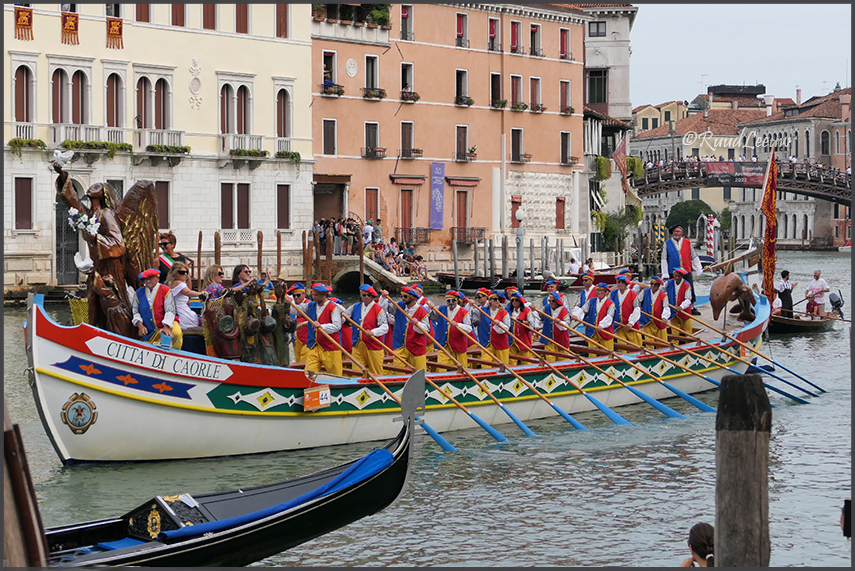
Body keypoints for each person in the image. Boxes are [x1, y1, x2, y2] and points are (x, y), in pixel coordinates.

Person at [343, 284, 389, 376]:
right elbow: (343, 317)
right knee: (357, 373)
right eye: (364, 295)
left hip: (374, 346)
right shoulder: (354, 307)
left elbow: (385, 327)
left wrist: (373, 332)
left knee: (376, 372)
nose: (366, 297)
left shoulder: (379, 309)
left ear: (372, 296)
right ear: (361, 295)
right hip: (357, 345)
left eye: (369, 295)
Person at [132, 268, 182, 349]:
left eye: (151, 279)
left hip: (168, 323)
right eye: (146, 279)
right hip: (149, 328)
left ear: (157, 278)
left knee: (176, 333)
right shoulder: (138, 293)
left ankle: (176, 353)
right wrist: (140, 325)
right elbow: (135, 311)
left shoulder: (166, 290)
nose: (148, 281)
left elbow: (170, 310)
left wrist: (166, 326)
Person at [382, 286, 430, 371]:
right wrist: (383, 297)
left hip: (416, 347)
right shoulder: (399, 306)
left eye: (405, 297)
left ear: (412, 298)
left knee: (419, 372)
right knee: (397, 372)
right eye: (402, 296)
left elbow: (426, 329)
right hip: (400, 346)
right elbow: (383, 307)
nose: (403, 299)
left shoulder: (422, 310)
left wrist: (417, 324)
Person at [303, 283, 343, 376]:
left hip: (331, 347)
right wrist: (288, 302)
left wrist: (322, 326)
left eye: (316, 295)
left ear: (324, 295)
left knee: (336, 376)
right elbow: (297, 309)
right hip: (314, 346)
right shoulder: (311, 305)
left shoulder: (334, 308)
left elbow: (337, 326)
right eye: (313, 294)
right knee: (308, 373)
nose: (313, 297)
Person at [661, 224, 703, 313]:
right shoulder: (667, 243)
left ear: (682, 233)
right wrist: (665, 273)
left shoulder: (688, 242)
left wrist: (698, 268)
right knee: (673, 289)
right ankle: (673, 307)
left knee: (690, 287)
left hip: (686, 270)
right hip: (673, 271)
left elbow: (694, 255)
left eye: (678, 231)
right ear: (672, 233)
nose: (676, 233)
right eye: (675, 231)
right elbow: (664, 258)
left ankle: (691, 307)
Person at [429, 290, 473, 369]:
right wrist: (429, 305)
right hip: (444, 345)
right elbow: (428, 314)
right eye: (448, 301)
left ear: (457, 300)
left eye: (453, 300)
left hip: (458, 345)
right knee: (440, 369)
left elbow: (469, 328)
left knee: (463, 369)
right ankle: (441, 380)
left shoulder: (464, 312)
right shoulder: (441, 309)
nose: (451, 303)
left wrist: (458, 325)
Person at [572, 283, 616, 355]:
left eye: (601, 290)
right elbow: (583, 310)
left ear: (605, 292)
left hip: (605, 332)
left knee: (608, 353)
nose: (599, 292)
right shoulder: (591, 301)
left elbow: (609, 316)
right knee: (592, 353)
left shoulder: (610, 304)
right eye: (598, 290)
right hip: (592, 332)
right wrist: (576, 315)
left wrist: (602, 325)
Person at [166, 262, 202, 330]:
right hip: (181, 312)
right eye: (182, 272)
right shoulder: (179, 283)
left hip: (175, 311)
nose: (185, 274)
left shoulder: (170, 283)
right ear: (175, 273)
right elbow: (188, 292)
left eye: (186, 272)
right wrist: (201, 294)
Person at [508, 291, 541, 365]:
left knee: (526, 362)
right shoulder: (509, 311)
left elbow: (531, 324)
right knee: (511, 361)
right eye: (512, 300)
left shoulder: (526, 311)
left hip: (524, 340)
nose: (514, 302)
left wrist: (523, 322)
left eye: (516, 300)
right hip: (512, 340)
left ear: (520, 301)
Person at [610, 275, 641, 350]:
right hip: (619, 326)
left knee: (635, 348)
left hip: (631, 327)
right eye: (618, 282)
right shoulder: (612, 294)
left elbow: (637, 310)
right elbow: (609, 309)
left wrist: (631, 322)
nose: (620, 284)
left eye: (622, 282)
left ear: (626, 284)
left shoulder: (633, 294)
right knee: (622, 348)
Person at [639, 276, 671, 345]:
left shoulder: (664, 296)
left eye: (655, 284)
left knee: (662, 344)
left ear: (658, 286)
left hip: (659, 322)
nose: (653, 286)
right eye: (651, 284)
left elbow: (666, 307)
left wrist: (664, 317)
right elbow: (637, 303)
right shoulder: (644, 292)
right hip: (647, 322)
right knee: (649, 343)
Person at [541, 292, 574, 361]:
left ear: (557, 302)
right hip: (549, 340)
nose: (551, 303)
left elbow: (567, 325)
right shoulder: (546, 308)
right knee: (550, 359)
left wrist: (560, 323)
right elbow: (538, 317)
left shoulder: (564, 310)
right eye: (550, 301)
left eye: (553, 301)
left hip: (561, 341)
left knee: (563, 361)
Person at [483, 291, 512, 365]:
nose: (497, 301)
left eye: (499, 299)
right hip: (487, 343)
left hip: (501, 344)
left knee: (502, 366)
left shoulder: (504, 313)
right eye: (495, 299)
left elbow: (507, 328)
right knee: (485, 364)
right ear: (490, 300)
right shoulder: (483, 310)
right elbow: (471, 311)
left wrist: (499, 324)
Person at [286, 283, 309, 362]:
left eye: (298, 295)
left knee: (304, 364)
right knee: (298, 363)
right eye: (294, 296)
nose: (296, 297)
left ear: (304, 294)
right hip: (297, 340)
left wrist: (304, 324)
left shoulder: (309, 305)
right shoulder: (294, 306)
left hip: (308, 341)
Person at [667, 268, 694, 334]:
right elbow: (660, 290)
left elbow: (688, 299)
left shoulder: (686, 285)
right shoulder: (669, 283)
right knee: (674, 332)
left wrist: (681, 307)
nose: (677, 278)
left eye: (679, 276)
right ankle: (675, 343)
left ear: (682, 276)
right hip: (673, 312)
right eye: (675, 276)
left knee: (688, 332)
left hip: (685, 313)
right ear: (673, 275)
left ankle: (689, 343)